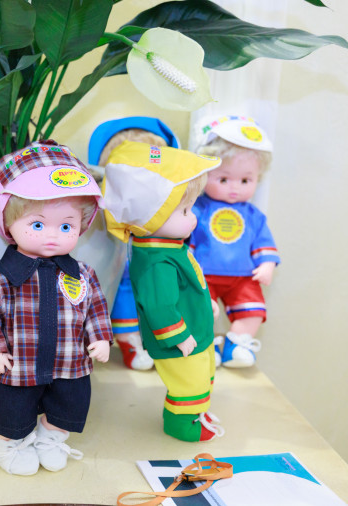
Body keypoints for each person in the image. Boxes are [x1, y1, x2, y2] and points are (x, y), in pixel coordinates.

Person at [0, 141, 112, 476]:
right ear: (9, 222)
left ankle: (51, 437)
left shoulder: (82, 273)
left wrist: (100, 337)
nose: (53, 236)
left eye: (66, 226)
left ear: (81, 225)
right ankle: (10, 444)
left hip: (70, 363)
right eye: (37, 224)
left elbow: (95, 306)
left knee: (69, 406)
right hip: (18, 366)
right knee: (11, 410)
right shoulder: (4, 276)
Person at [101, 141, 224, 442]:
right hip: (181, 338)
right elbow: (159, 306)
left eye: (190, 208)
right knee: (188, 383)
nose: (193, 217)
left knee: (203, 372)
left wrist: (206, 303)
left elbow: (189, 282)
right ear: (149, 217)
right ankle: (182, 423)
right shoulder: (156, 263)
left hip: (195, 326)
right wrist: (177, 336)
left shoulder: (169, 248)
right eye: (184, 210)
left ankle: (199, 412)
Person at [88, 116, 180, 370]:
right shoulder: (104, 198)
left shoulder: (169, 201)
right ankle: (130, 341)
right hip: (122, 266)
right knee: (124, 293)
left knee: (162, 296)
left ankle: (164, 339)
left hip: (155, 264)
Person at [190, 115, 278, 368]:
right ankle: (205, 347)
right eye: (223, 179)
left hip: (243, 276)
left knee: (253, 310)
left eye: (245, 180)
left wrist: (267, 265)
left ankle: (237, 344)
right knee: (201, 310)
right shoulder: (198, 208)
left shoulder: (253, 215)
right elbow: (187, 237)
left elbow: (263, 242)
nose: (234, 188)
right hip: (202, 274)